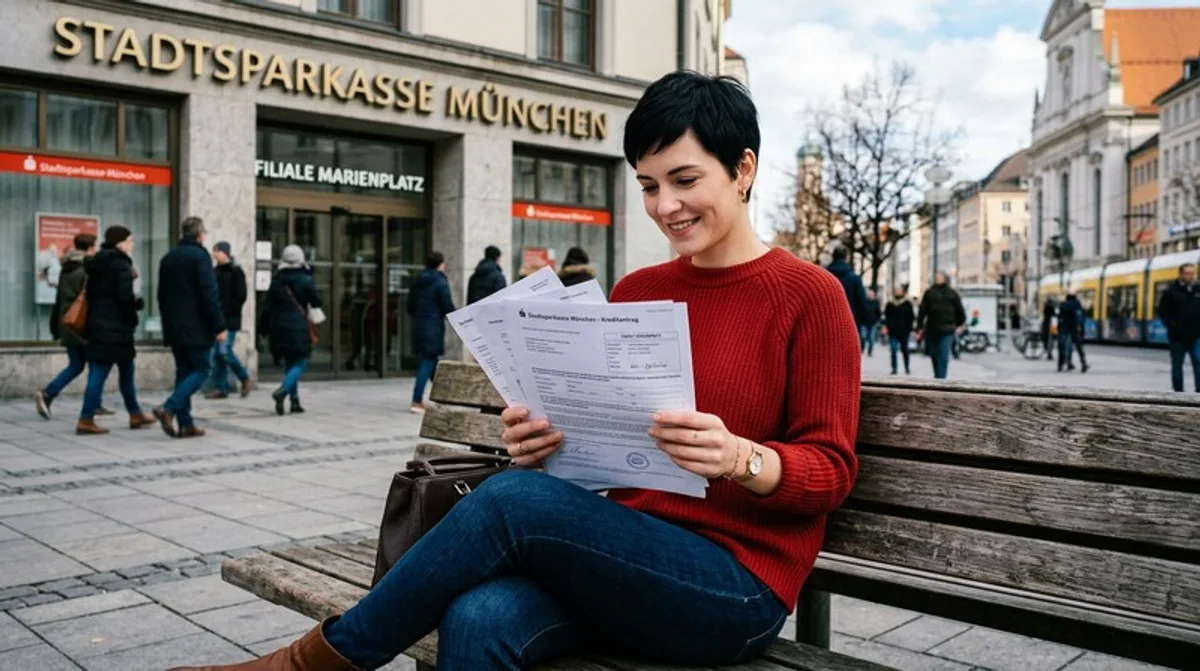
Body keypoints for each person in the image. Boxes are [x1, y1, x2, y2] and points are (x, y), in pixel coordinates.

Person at [169, 72, 861, 671]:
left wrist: (742, 457)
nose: (663, 206)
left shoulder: (810, 295)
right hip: (621, 555)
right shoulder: (640, 290)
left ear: (742, 169)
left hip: (733, 587)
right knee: (480, 614)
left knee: (510, 502)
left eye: (684, 180)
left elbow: (830, 468)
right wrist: (546, 440)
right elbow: (609, 454)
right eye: (648, 185)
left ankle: (322, 659)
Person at [75, 227, 156, 435]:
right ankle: (85, 419)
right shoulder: (120, 263)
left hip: (98, 326)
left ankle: (135, 413)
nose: (132, 244)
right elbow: (124, 298)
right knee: (100, 373)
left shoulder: (98, 262)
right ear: (119, 243)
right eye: (129, 240)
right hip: (116, 329)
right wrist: (134, 314)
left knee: (124, 371)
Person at [154, 217, 226, 438]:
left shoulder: (169, 257)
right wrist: (219, 326)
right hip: (197, 326)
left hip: (175, 325)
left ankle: (186, 424)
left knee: (183, 372)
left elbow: (161, 295)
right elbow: (209, 295)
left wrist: (168, 322)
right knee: (202, 369)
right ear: (199, 235)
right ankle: (169, 407)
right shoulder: (200, 257)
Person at [36, 233, 97, 419]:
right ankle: (50, 393)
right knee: (95, 365)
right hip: (82, 324)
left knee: (77, 364)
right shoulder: (86, 269)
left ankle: (48, 394)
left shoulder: (67, 267)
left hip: (67, 322)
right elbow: (90, 299)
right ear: (91, 248)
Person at [262, 245, 323, 415]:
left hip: (279, 327)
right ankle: (282, 391)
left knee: (290, 362)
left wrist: (263, 328)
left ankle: (294, 402)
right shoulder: (305, 279)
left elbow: (267, 307)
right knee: (301, 360)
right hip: (298, 327)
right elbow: (318, 301)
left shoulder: (277, 280)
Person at [407, 251, 455, 413]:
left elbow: (410, 306)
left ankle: (442, 398)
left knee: (432, 363)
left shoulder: (418, 281)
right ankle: (416, 400)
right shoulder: (440, 282)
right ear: (440, 264)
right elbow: (447, 305)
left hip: (419, 325)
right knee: (427, 361)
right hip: (433, 327)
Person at [205, 241, 252, 399]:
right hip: (216, 319)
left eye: (217, 251)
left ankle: (244, 377)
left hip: (230, 319)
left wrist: (228, 311)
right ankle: (221, 388)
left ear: (226, 253)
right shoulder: (213, 272)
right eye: (214, 251)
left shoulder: (236, 271)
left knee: (224, 352)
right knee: (217, 354)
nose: (215, 254)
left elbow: (241, 295)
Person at [1158, 262, 1200, 392]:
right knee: (1177, 366)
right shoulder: (1170, 291)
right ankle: (1178, 393)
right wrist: (1172, 326)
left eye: (1192, 273)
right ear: (1181, 274)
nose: (1190, 276)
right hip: (1177, 337)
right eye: (1187, 273)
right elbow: (1163, 312)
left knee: (1199, 364)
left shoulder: (1198, 289)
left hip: (1196, 336)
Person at [917, 271, 966, 380]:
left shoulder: (952, 293)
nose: (937, 278)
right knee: (934, 355)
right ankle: (937, 375)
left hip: (947, 329)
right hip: (932, 329)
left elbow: (959, 310)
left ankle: (941, 378)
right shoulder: (929, 293)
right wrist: (919, 326)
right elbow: (922, 310)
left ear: (945, 278)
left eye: (939, 277)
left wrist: (959, 324)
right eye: (936, 277)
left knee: (943, 354)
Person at [824, 246, 870, 351]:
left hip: (827, 321)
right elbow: (862, 303)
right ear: (846, 258)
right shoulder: (854, 278)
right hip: (849, 320)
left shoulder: (824, 275)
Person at [884, 285, 916, 375]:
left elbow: (911, 317)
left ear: (903, 292)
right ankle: (894, 368)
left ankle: (907, 367)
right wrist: (887, 326)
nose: (897, 292)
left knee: (904, 350)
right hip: (893, 331)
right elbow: (887, 317)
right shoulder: (890, 304)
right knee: (893, 350)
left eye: (899, 290)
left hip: (904, 331)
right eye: (896, 290)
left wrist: (909, 328)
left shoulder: (907, 304)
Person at [1057, 291, 1089, 373]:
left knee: (1063, 347)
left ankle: (1060, 365)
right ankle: (1084, 363)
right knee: (1079, 348)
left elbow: (1059, 317)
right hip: (1075, 329)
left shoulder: (1063, 305)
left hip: (1065, 329)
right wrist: (1082, 329)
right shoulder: (1077, 305)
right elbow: (1081, 317)